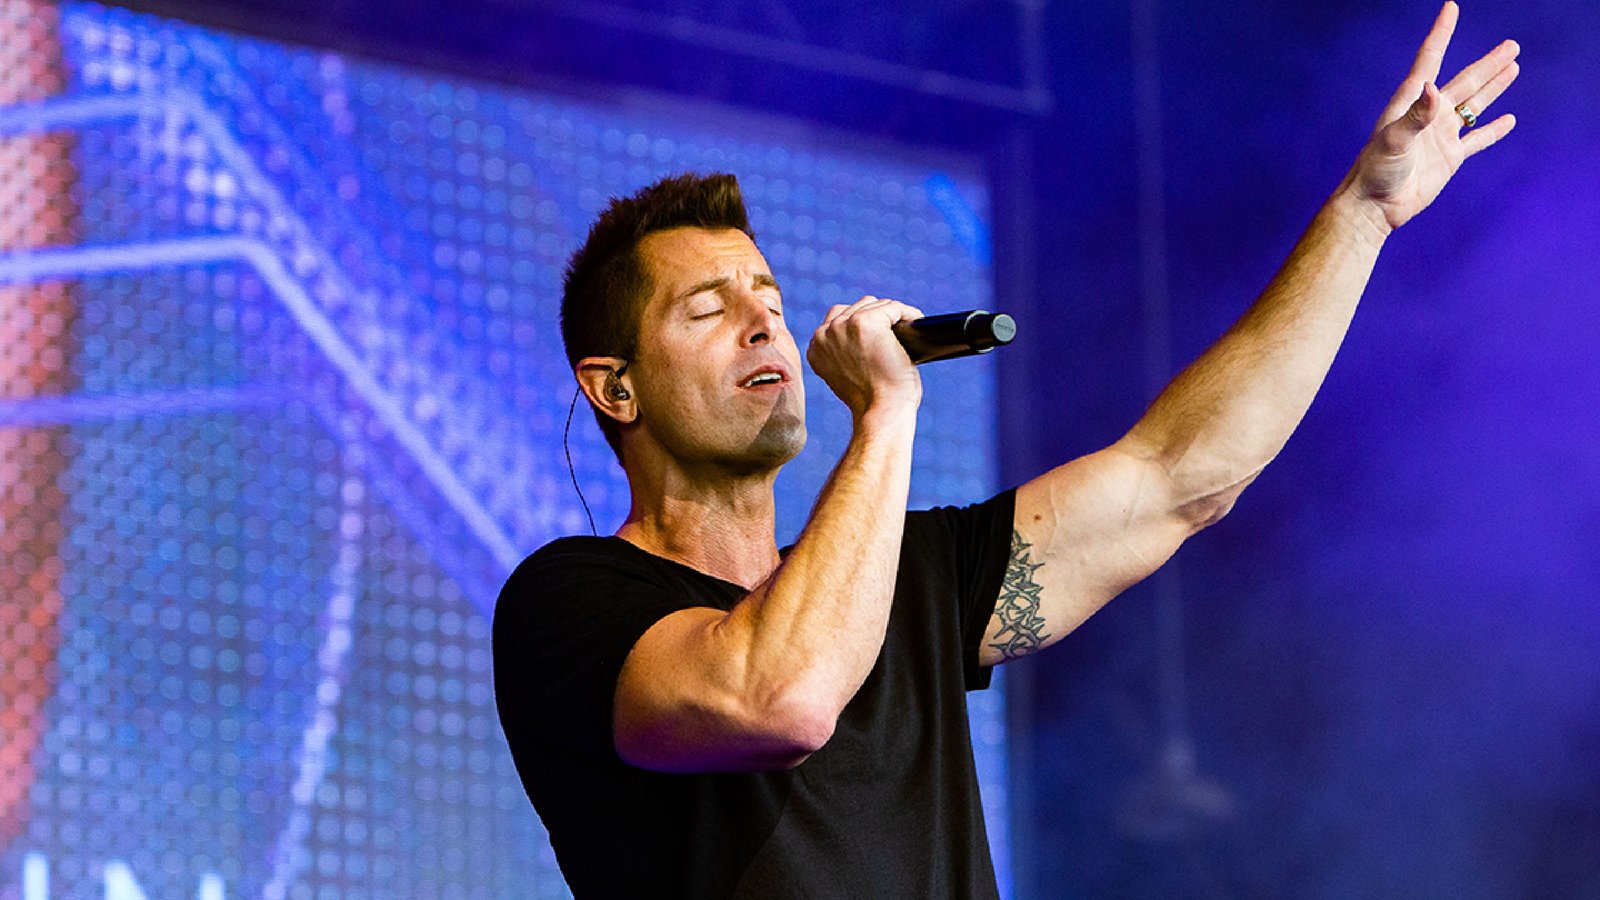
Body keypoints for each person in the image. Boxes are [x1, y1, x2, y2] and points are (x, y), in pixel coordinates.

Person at [493, 4, 1519, 896]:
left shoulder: (914, 583)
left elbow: (1179, 479)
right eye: (709, 310)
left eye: (769, 296)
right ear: (614, 387)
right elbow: (780, 699)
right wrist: (886, 415)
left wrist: (1362, 217)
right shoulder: (570, 604)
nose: (765, 323)